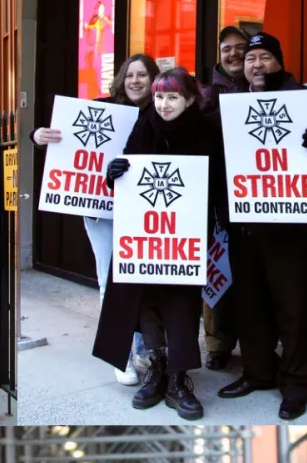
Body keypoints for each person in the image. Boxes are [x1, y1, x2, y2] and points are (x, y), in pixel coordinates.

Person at [97, 67, 229, 420]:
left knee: (182, 303)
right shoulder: (145, 124)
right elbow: (127, 169)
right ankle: (157, 367)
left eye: (172, 97)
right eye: (159, 97)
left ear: (189, 99)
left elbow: (218, 181)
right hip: (145, 234)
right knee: (147, 301)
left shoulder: (206, 130)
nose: (164, 104)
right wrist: (115, 173)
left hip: (186, 234)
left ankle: (178, 378)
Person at [218, 32, 307, 420]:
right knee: (250, 305)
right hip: (244, 223)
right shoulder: (231, 102)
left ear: (279, 62)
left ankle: (298, 384)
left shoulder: (304, 99)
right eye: (251, 58)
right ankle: (258, 372)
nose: (256, 64)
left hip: (289, 226)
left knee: (294, 308)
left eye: (265, 56)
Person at [33, 52, 159, 386]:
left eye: (142, 75)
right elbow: (63, 135)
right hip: (102, 210)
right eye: (130, 74)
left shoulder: (162, 111)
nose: (135, 81)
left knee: (144, 279)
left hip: (144, 210)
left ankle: (143, 346)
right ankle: (121, 356)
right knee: (110, 279)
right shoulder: (102, 108)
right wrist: (38, 136)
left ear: (153, 79)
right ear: (121, 78)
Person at [201, 26, 249, 371]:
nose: (233, 54)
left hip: (258, 197)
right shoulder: (203, 95)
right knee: (216, 270)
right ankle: (217, 344)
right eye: (227, 49)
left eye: (239, 48)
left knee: (249, 274)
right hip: (216, 196)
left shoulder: (264, 87)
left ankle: (252, 341)